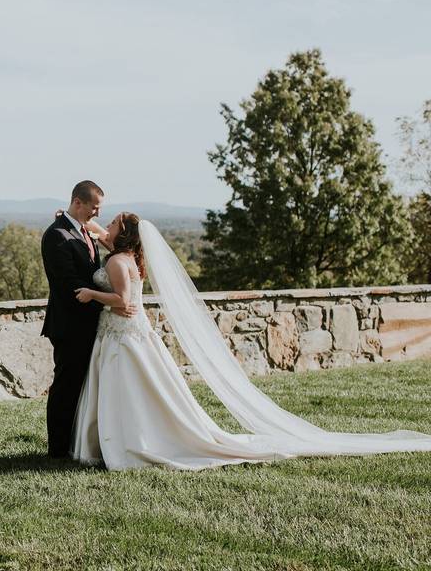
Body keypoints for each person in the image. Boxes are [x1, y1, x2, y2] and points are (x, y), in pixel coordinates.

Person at [69, 212, 431, 470]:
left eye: (114, 222)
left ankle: (131, 443)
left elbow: (127, 303)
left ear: (125, 235)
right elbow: (104, 235)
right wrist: (85, 223)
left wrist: (91, 293)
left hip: (124, 337)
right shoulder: (128, 256)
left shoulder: (117, 262)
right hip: (126, 337)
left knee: (130, 392)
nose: (108, 225)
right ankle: (130, 438)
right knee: (141, 393)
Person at [39, 181, 137, 458]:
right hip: (70, 326)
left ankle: (78, 444)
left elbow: (111, 245)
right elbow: (68, 285)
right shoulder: (57, 236)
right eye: (94, 207)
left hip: (91, 325)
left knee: (85, 388)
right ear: (77, 202)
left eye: (99, 208)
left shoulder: (83, 231)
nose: (97, 213)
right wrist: (108, 306)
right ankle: (57, 450)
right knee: (65, 387)